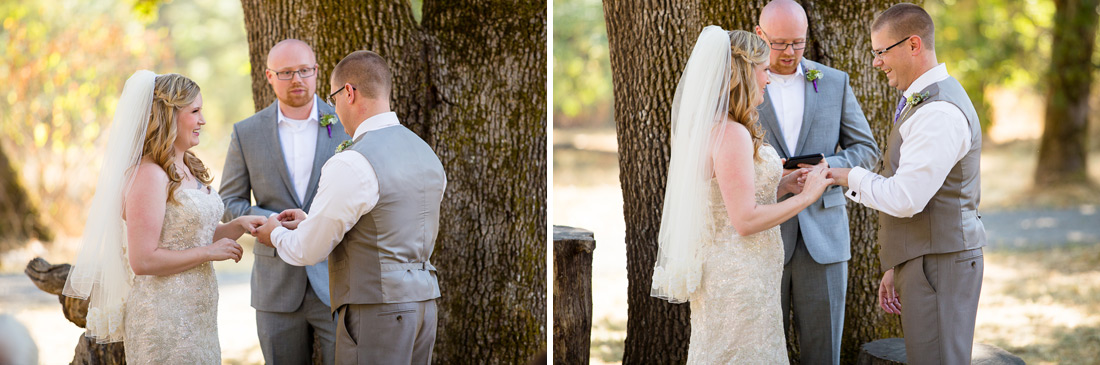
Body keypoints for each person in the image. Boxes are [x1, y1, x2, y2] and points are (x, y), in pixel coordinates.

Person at [648, 27, 833, 363]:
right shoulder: (731, 134)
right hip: (740, 279)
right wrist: (806, 198)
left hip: (740, 273)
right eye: (764, 70)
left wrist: (785, 186)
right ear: (744, 74)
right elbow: (745, 220)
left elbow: (728, 196)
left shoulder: (715, 127)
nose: (768, 79)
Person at [254, 50, 445, 364]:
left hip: (377, 311)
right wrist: (311, 220)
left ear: (349, 93)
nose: (335, 108)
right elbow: (390, 220)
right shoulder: (425, 153)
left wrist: (274, 233)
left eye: (333, 99)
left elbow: (307, 251)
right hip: (424, 307)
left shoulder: (353, 161)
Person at [63, 71, 266, 364]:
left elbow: (188, 237)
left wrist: (237, 226)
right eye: (195, 111)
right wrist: (210, 252)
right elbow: (143, 260)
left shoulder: (189, 167)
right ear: (168, 116)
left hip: (198, 317)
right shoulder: (148, 175)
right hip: (163, 318)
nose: (203, 120)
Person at [828, 4, 986, 364]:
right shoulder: (924, 102)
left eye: (881, 52)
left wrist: (846, 175)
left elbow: (906, 197)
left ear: (914, 45)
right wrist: (896, 265)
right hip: (924, 260)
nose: (875, 63)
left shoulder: (939, 113)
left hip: (940, 265)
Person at [752, 1, 880, 363]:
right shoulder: (741, 85)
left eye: (798, 42)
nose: (790, 52)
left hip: (824, 237)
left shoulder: (834, 81)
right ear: (760, 35)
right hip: (762, 233)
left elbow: (866, 150)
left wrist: (826, 169)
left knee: (824, 354)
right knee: (761, 350)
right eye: (779, 44)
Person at [220, 39, 347, 365]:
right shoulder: (246, 132)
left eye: (305, 70)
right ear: (269, 76)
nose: (297, 80)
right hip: (275, 285)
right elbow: (229, 200)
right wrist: (269, 220)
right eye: (287, 72)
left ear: (317, 72)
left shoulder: (346, 125)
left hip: (336, 280)